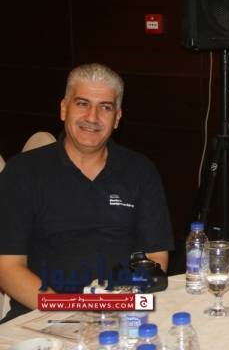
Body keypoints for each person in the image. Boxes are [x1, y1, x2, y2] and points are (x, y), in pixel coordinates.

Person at [0, 63, 174, 322]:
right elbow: (7, 268)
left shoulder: (140, 170)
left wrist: (121, 306)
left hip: (120, 313)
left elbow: (155, 256)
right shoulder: (22, 172)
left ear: (117, 118)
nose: (92, 117)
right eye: (82, 103)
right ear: (64, 109)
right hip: (40, 316)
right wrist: (68, 313)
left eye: (105, 107)